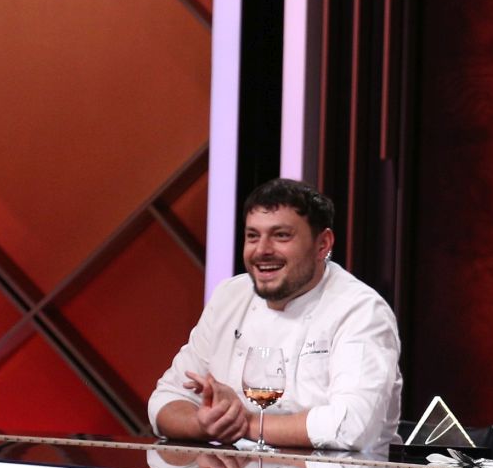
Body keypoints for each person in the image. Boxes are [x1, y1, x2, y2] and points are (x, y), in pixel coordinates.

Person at [149, 179, 403, 452]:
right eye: (253, 236)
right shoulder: (229, 296)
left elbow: (352, 427)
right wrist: (204, 424)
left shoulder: (360, 310)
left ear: (322, 245)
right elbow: (165, 400)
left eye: (281, 235)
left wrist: (245, 423)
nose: (262, 250)